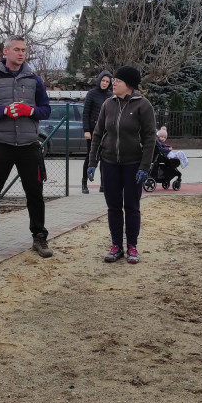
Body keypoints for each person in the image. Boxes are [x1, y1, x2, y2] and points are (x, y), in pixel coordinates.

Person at [0, 36, 53, 257]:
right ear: (5, 51)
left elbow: (46, 110)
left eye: (23, 50)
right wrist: (4, 111)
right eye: (16, 49)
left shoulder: (35, 80)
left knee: (35, 194)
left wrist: (30, 111)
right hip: (1, 144)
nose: (21, 53)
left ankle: (39, 238)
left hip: (29, 144)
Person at [85, 66, 156, 264]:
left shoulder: (143, 106)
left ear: (129, 85)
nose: (113, 83)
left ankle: (132, 246)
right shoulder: (108, 104)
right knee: (113, 206)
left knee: (132, 206)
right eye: (113, 80)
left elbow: (150, 138)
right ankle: (116, 245)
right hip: (109, 164)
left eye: (118, 80)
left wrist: (144, 166)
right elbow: (98, 133)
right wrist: (92, 162)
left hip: (133, 164)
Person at [81, 70, 113, 193]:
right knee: (90, 156)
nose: (104, 83)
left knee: (105, 158)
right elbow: (85, 113)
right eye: (103, 80)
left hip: (107, 132)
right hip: (93, 131)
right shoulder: (92, 94)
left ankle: (103, 184)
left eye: (107, 81)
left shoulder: (111, 95)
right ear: (99, 80)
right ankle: (84, 183)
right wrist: (86, 130)